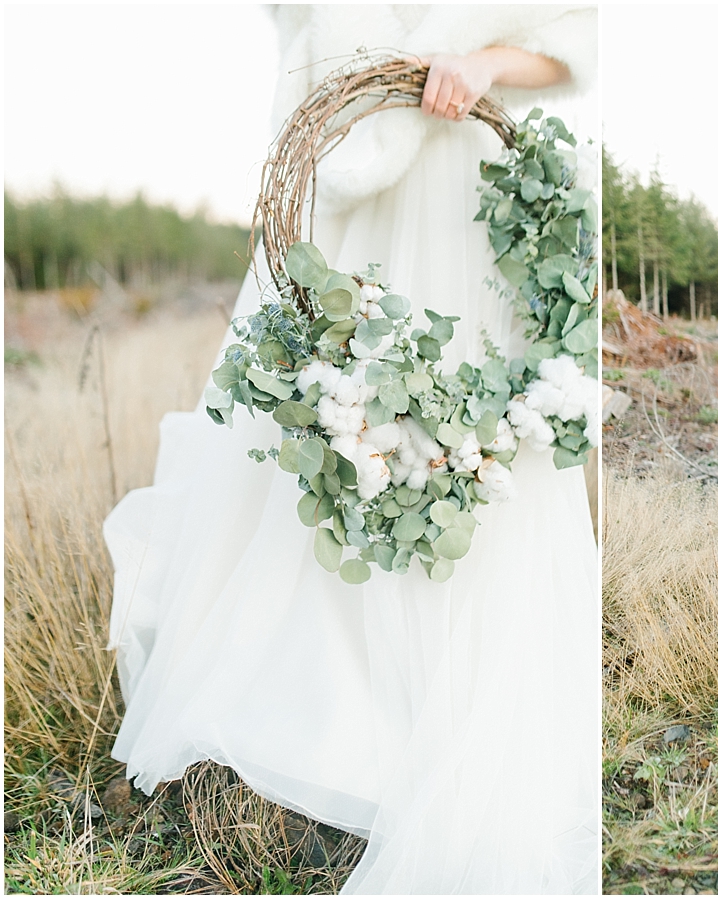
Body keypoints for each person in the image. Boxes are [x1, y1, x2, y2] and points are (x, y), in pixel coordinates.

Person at [104, 6, 599, 893]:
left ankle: (446, 706)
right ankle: (321, 711)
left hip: (465, 190)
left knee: (464, 426)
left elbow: (569, 39)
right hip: (350, 184)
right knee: (329, 417)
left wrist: (480, 61)